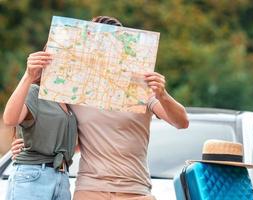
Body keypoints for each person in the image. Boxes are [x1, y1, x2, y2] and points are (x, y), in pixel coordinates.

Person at [11, 16, 189, 200]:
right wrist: (28, 145)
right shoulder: (74, 92)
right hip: (90, 190)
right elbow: (66, 136)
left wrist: (163, 94)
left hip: (135, 190)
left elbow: (182, 122)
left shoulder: (140, 91)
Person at [3, 51, 78, 200]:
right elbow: (9, 119)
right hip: (33, 176)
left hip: (62, 179)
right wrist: (28, 76)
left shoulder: (70, 103)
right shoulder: (35, 91)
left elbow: (76, 144)